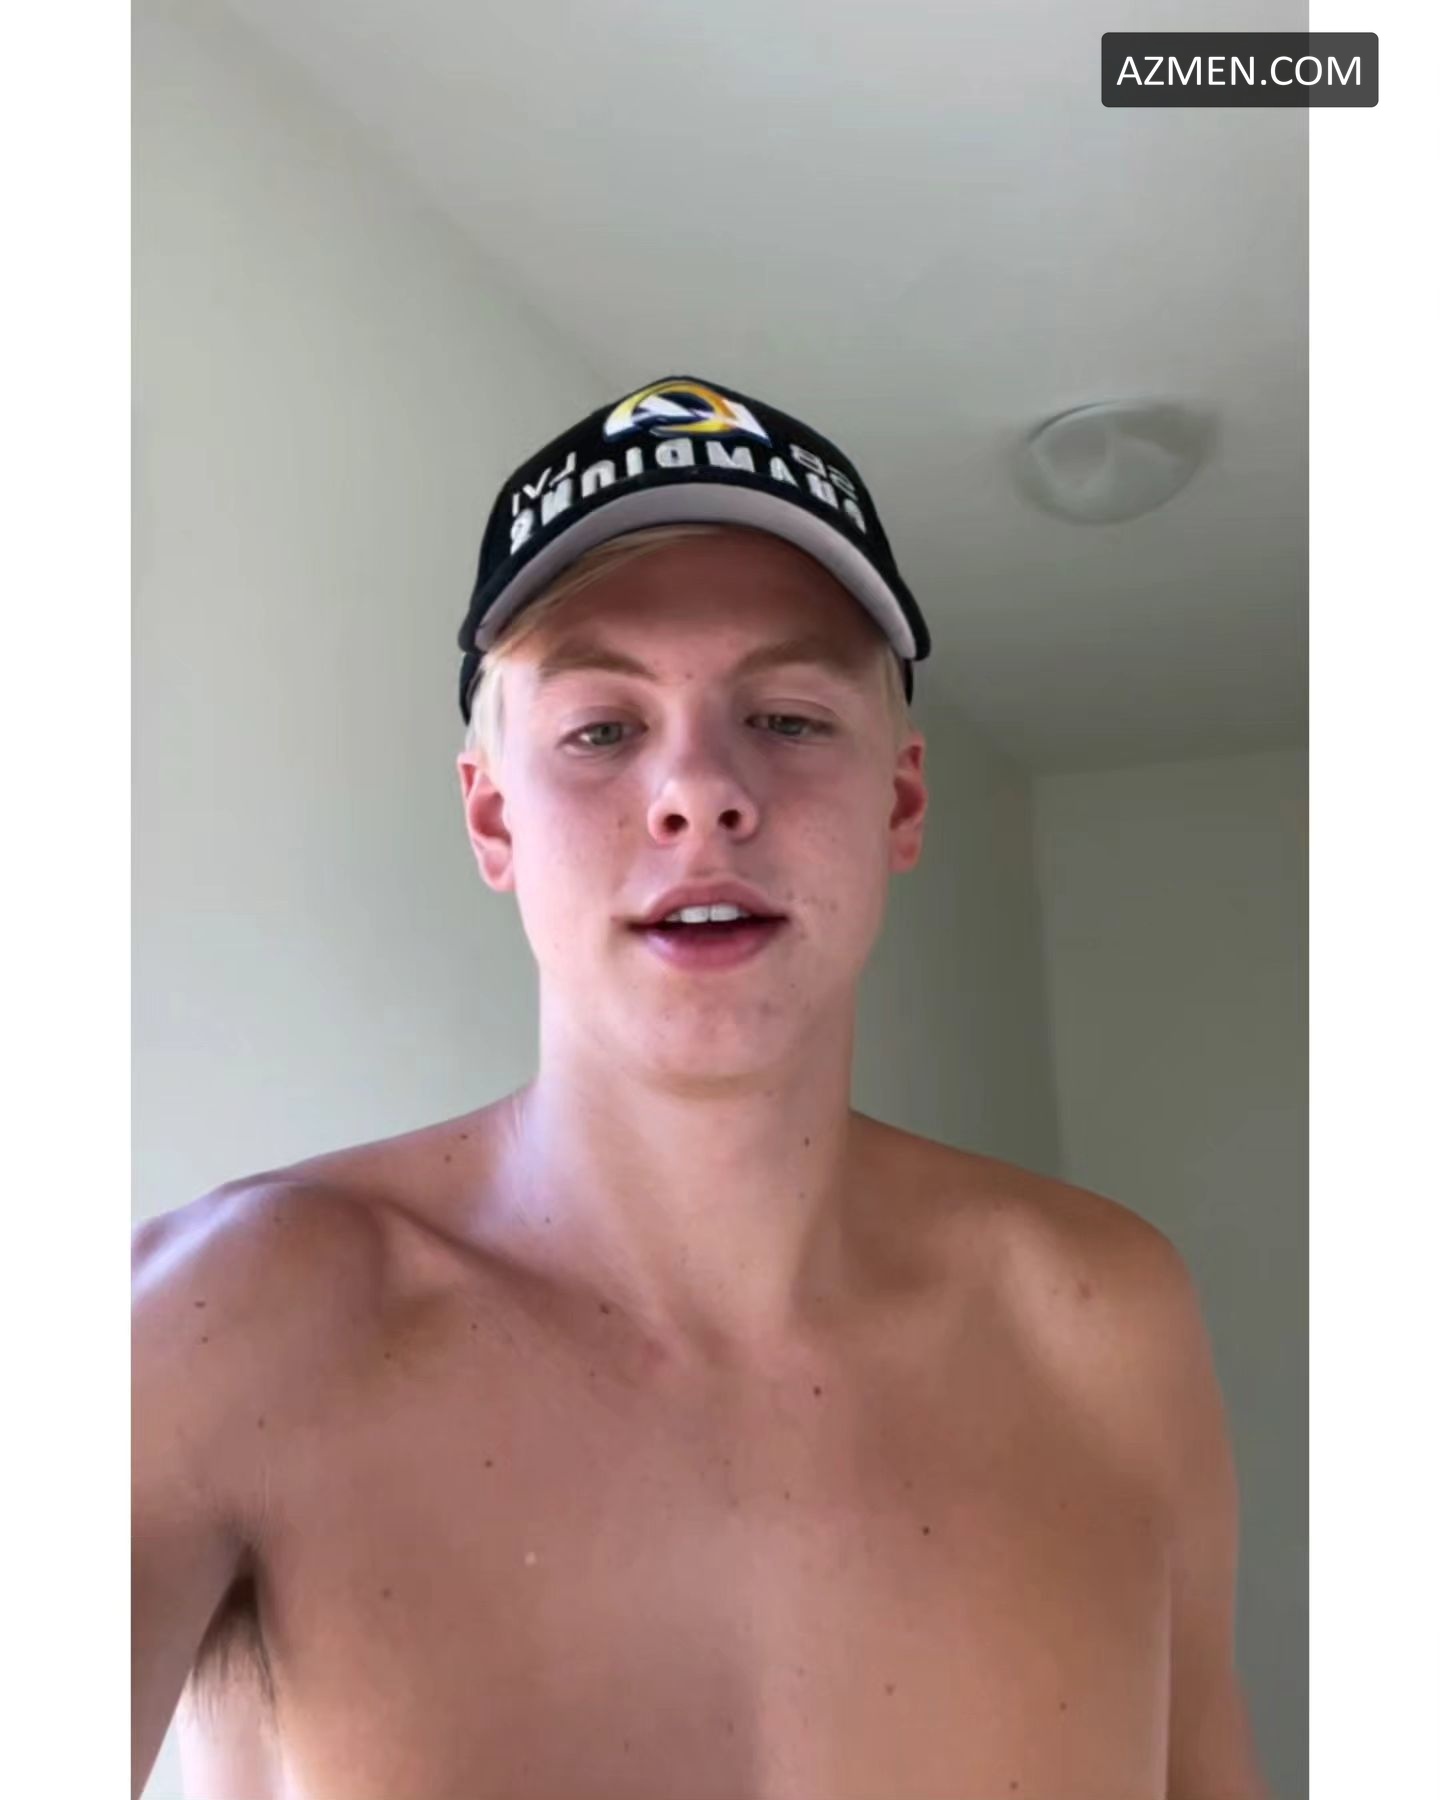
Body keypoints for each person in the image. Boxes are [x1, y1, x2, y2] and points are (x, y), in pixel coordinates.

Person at [132, 376, 1269, 1799]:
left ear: (902, 798)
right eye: (602, 728)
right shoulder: (221, 1325)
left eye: (786, 717)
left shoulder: (1104, 1325)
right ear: (492, 814)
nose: (700, 791)